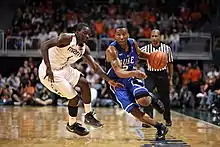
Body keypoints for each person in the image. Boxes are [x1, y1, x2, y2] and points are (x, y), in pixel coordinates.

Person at [38, 23, 123, 136]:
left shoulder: (84, 49)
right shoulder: (66, 38)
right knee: (74, 97)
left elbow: (95, 67)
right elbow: (44, 46)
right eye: (84, 33)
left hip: (63, 68)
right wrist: (48, 68)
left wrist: (109, 80)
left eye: (89, 34)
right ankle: (72, 124)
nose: (87, 36)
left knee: (84, 83)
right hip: (49, 71)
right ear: (77, 32)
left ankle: (88, 115)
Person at [105, 26, 168, 140]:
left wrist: (152, 57)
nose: (121, 37)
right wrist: (135, 72)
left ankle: (152, 99)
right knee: (134, 111)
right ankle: (160, 127)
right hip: (117, 83)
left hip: (130, 78)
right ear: (114, 36)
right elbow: (118, 72)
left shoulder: (132, 43)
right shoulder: (112, 50)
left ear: (128, 35)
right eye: (118, 35)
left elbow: (140, 54)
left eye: (124, 34)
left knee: (143, 100)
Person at [141, 29, 174, 127]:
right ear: (150, 37)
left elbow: (170, 64)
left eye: (156, 36)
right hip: (150, 74)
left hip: (162, 74)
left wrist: (171, 78)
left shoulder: (167, 49)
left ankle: (167, 118)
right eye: (152, 36)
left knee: (165, 98)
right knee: (146, 96)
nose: (154, 38)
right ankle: (148, 119)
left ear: (160, 37)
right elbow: (137, 56)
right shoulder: (145, 49)